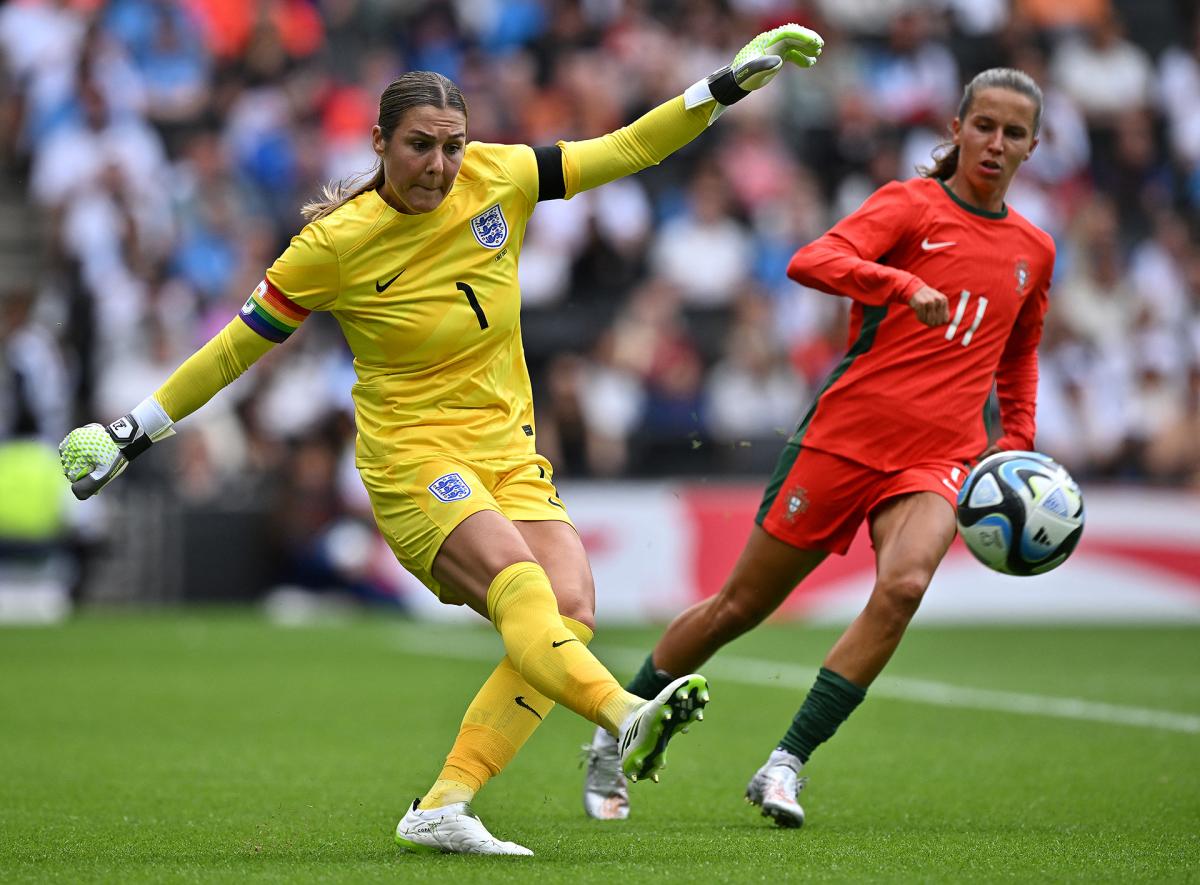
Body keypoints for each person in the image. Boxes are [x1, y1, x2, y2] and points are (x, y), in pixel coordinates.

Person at [56, 26, 826, 856]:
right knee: (524, 588)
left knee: (572, 609)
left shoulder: (500, 176)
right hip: (415, 462)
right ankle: (624, 715)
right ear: (380, 142)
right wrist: (131, 431)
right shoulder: (333, 245)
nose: (439, 165)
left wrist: (722, 85)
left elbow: (629, 147)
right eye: (420, 146)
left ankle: (444, 802)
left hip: (509, 452)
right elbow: (235, 346)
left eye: (452, 146)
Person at [583, 67, 1055, 827]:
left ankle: (784, 763)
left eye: (1014, 132)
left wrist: (1017, 446)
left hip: (939, 459)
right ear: (957, 128)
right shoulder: (909, 206)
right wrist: (899, 286)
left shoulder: (1035, 248)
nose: (996, 143)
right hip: (843, 439)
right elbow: (812, 261)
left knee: (902, 589)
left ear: (1036, 146)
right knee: (740, 606)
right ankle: (615, 728)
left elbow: (1018, 353)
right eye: (985, 126)